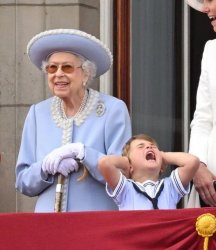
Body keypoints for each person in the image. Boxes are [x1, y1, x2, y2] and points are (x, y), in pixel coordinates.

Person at [15, 28, 132, 212]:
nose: (58, 74)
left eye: (67, 67)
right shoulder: (38, 113)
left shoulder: (113, 109)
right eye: (52, 68)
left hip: (95, 223)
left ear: (86, 74)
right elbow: (23, 181)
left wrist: (85, 155)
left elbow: (123, 174)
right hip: (47, 226)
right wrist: (46, 167)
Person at [98, 134, 199, 210]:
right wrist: (127, 162)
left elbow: (192, 162)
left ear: (162, 168)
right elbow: (105, 163)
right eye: (140, 147)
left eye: (153, 147)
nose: (149, 147)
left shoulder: (170, 187)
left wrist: (163, 156)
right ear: (130, 166)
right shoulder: (126, 189)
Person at [186, 0, 216, 207]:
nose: (205, 9)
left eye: (210, 0)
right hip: (212, 184)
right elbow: (203, 118)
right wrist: (197, 165)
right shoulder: (211, 51)